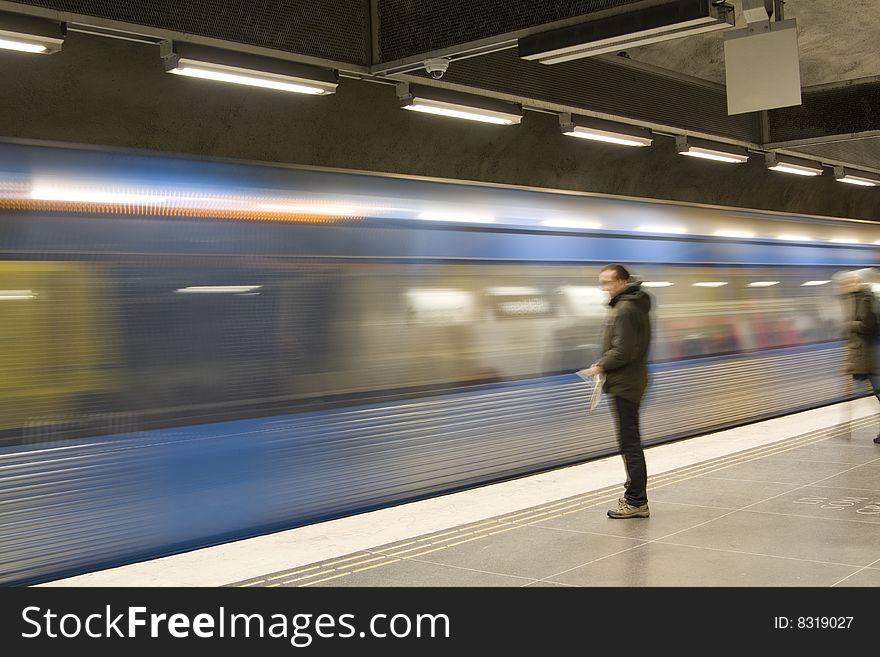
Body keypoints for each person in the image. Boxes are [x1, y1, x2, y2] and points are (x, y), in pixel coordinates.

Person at [584, 264, 653, 518]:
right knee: (630, 440)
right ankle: (635, 496)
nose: (604, 288)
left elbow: (623, 350)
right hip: (630, 380)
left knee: (629, 442)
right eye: (601, 283)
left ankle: (636, 500)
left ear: (623, 282)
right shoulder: (634, 304)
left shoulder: (625, 308)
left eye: (608, 283)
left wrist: (601, 365)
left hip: (626, 382)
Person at [834, 271, 880, 445]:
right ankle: (844, 428)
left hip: (871, 353)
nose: (842, 288)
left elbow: (868, 326)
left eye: (846, 283)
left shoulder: (865, 299)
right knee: (872, 393)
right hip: (863, 353)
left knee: (876, 392)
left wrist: (848, 325)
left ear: (856, 283)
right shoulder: (857, 298)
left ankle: (844, 428)